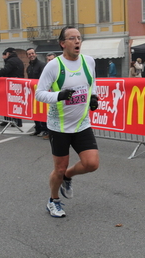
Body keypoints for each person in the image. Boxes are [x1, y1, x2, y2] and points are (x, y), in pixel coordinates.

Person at [35, 26, 99, 218]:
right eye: (72, 38)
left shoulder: (89, 62)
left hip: (81, 123)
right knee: (59, 168)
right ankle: (53, 201)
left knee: (92, 164)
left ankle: (67, 177)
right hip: (59, 126)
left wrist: (93, 97)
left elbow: (92, 82)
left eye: (79, 38)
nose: (77, 41)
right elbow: (39, 93)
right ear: (63, 44)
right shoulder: (54, 66)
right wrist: (59, 95)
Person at [0, 47, 24, 127]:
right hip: (17, 85)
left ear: (8, 54)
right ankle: (10, 120)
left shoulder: (11, 61)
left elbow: (4, 71)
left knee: (12, 103)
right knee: (14, 103)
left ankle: (15, 121)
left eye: (4, 54)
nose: (3, 56)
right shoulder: (18, 60)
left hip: (13, 85)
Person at [26, 47, 46, 137]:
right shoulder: (29, 67)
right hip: (33, 93)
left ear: (36, 54)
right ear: (27, 56)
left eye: (32, 53)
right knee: (35, 111)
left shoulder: (42, 65)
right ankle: (37, 129)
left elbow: (43, 79)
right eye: (29, 54)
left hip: (41, 91)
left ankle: (44, 129)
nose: (31, 55)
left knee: (42, 111)